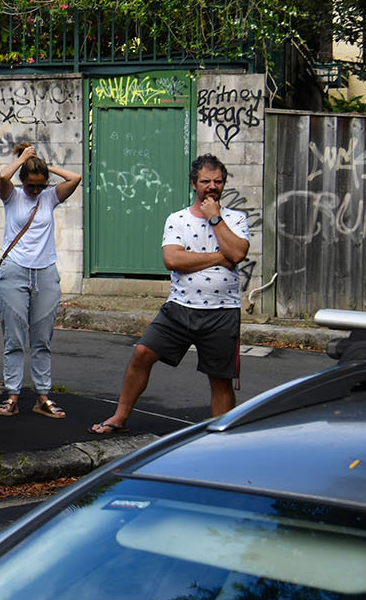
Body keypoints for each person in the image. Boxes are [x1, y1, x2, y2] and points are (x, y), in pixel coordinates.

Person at [91, 155, 250, 436]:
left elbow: (237, 253)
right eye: (205, 181)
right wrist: (218, 256)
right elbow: (173, 260)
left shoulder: (236, 219)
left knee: (221, 378)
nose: (212, 186)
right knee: (142, 353)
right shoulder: (177, 219)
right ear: (193, 184)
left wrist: (215, 218)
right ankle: (118, 417)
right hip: (179, 308)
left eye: (218, 181)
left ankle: (222, 439)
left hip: (222, 311)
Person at [0, 143, 82, 418]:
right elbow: (2, 178)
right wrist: (23, 159)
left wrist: (44, 164)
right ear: (22, 181)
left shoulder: (50, 197)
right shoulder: (13, 196)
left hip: (45, 273)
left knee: (43, 338)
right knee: (15, 338)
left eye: (40, 186)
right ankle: (12, 396)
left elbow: (75, 179)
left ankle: (42, 397)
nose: (35, 191)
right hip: (15, 271)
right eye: (31, 186)